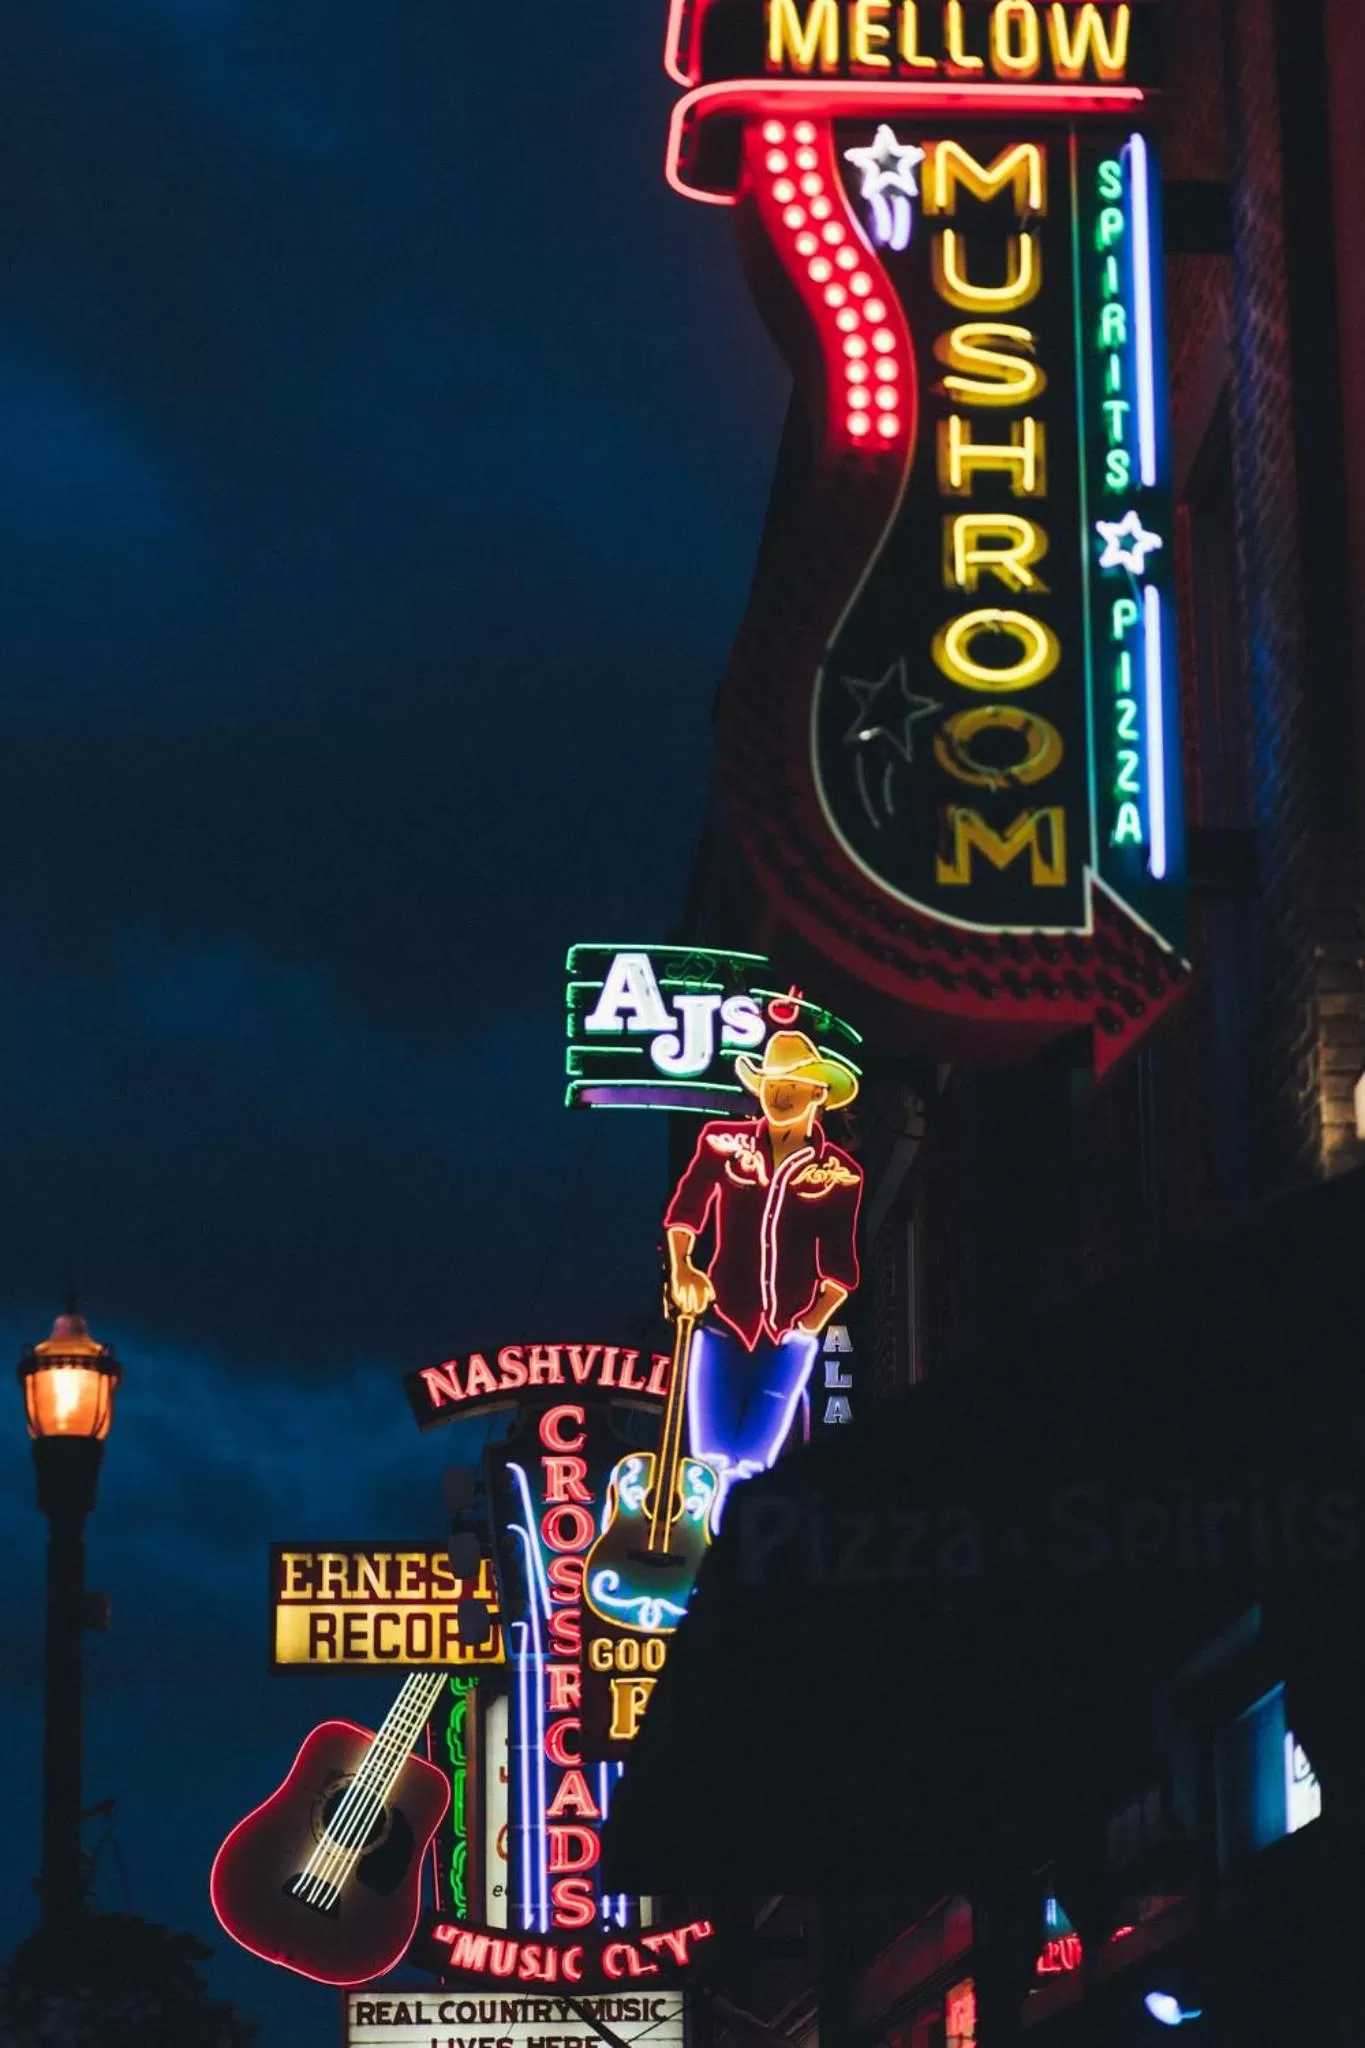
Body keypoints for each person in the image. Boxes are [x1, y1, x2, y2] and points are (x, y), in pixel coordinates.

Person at [663, 1028, 862, 1524]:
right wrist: (683, 1267)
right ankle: (706, 1549)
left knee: (754, 1463)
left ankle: (740, 1552)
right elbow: (685, 1212)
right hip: (721, 1321)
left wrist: (811, 1323)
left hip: (787, 1335)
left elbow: (839, 1268)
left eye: (791, 1085)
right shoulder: (723, 1144)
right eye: (772, 1083)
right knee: (709, 1457)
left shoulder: (838, 1174)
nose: (778, 1094)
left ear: (817, 1094)